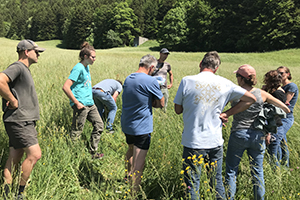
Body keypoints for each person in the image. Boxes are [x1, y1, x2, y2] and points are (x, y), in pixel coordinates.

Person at [174, 52, 257, 200]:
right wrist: (227, 113)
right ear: (216, 68)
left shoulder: (187, 81)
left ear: (201, 63)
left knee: (192, 183)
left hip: (193, 140)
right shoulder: (225, 83)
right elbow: (251, 98)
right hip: (215, 141)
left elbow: (177, 109)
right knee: (216, 181)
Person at [225, 65, 290, 200]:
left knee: (231, 171)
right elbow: (285, 108)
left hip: (239, 133)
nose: (236, 79)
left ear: (242, 79)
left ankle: (229, 197)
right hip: (258, 136)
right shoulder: (262, 93)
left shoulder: (235, 93)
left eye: (237, 76)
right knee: (257, 171)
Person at [0, 39, 45, 199]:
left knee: (16, 155)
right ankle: (20, 193)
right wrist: (13, 100)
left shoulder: (23, 69)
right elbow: (0, 80)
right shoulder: (18, 67)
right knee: (35, 154)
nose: (38, 54)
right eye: (36, 51)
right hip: (20, 120)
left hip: (19, 120)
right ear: (26, 52)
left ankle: (5, 193)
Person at [121, 54, 164, 196]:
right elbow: (161, 103)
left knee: (131, 150)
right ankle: (133, 194)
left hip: (127, 124)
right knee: (139, 163)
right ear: (151, 67)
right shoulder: (150, 81)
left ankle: (127, 177)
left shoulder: (129, 78)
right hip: (141, 127)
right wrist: (154, 103)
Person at [62, 42, 104, 159]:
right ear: (85, 56)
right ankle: (73, 157)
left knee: (99, 125)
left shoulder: (86, 67)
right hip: (81, 104)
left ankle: (93, 152)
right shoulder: (78, 68)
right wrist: (76, 103)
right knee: (77, 131)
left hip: (90, 104)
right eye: (93, 57)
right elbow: (66, 87)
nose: (95, 59)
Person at [262, 70, 286, 166]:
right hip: (276, 126)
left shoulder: (277, 94)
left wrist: (269, 132)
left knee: (272, 155)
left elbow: (272, 113)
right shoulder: (278, 92)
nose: (264, 81)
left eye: (266, 80)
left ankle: (277, 174)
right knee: (274, 152)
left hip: (274, 127)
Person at [276, 66, 298, 167]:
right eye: (278, 73)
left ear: (288, 74)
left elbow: (285, 103)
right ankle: (285, 166)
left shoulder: (291, 86)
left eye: (282, 73)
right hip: (279, 117)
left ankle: (279, 166)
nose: (279, 75)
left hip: (286, 118)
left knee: (276, 139)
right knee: (282, 143)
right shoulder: (281, 87)